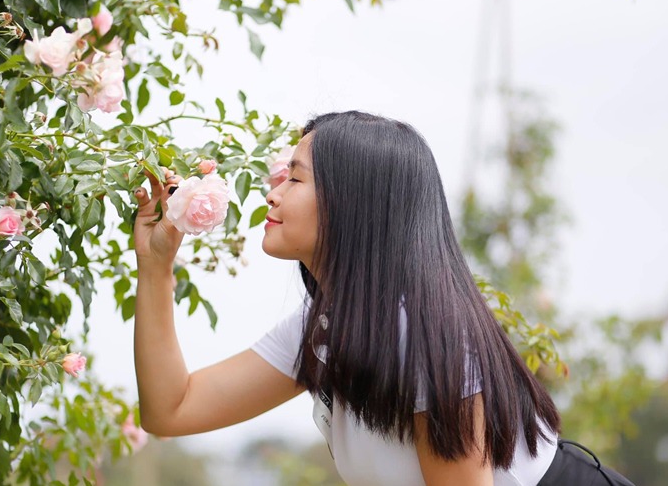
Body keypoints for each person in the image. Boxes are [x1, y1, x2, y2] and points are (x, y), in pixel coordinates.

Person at [132, 111, 633, 485]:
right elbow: (171, 410)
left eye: (296, 178)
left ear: (352, 202)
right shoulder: (327, 324)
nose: (272, 193)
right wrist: (155, 268)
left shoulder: (418, 330)